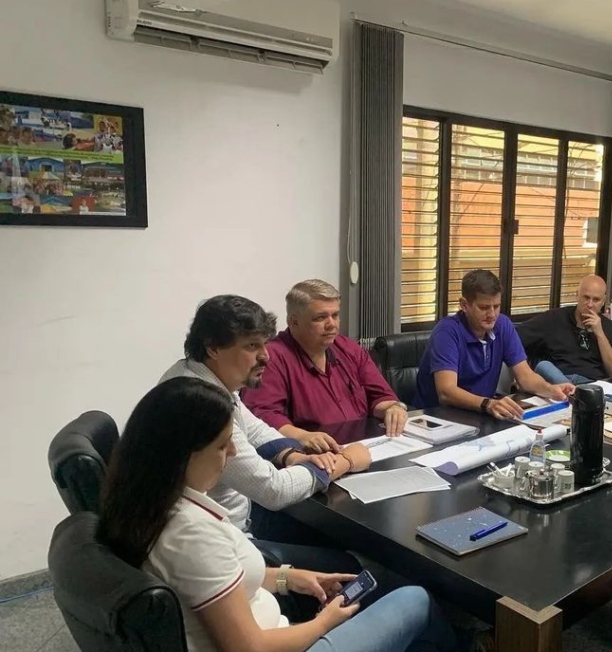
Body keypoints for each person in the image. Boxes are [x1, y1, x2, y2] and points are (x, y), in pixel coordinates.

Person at [98, 377, 459, 652]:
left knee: (379, 586)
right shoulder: (190, 535)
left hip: (275, 628)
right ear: (183, 454)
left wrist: (290, 578)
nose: (232, 452)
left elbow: (219, 582)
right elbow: (250, 648)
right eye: (222, 445)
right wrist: (326, 622)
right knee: (416, 599)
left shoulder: (148, 503)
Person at [160, 295, 369, 553]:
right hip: (226, 542)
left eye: (264, 344)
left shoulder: (197, 375)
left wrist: (290, 455)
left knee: (332, 537)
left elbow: (255, 429)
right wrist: (346, 461)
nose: (266, 356)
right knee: (351, 557)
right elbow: (274, 490)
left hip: (238, 517)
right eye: (251, 346)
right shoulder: (202, 405)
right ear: (213, 348)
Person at [242, 279, 407, 453]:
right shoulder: (271, 357)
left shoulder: (349, 348)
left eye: (335, 315)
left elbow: (380, 396)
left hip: (365, 447)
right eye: (320, 318)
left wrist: (393, 408)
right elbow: (263, 417)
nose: (331, 324)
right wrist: (302, 436)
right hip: (312, 454)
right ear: (294, 322)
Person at [415, 270, 574, 419]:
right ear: (464, 305)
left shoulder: (502, 325)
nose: (492, 314)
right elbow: (446, 392)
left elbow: (525, 376)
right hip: (439, 417)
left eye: (496, 306)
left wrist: (551, 390)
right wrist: (488, 404)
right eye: (484, 307)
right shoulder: (447, 331)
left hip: (481, 413)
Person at [517, 274, 612, 384]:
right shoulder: (553, 319)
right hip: (558, 382)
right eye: (586, 298)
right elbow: (513, 337)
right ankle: (571, 390)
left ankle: (573, 391)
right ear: (577, 295)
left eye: (596, 300)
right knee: (544, 366)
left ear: (603, 301)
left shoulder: (611, 327)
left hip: (591, 384)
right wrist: (521, 372)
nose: (590, 304)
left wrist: (600, 334)